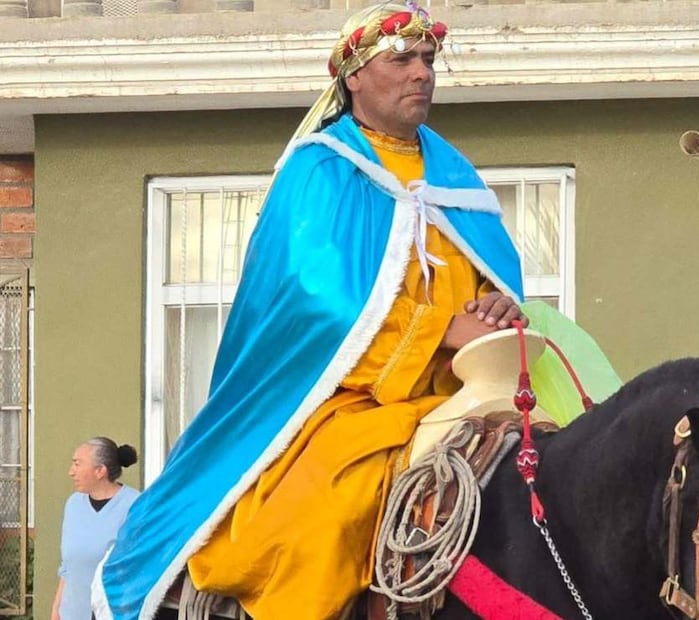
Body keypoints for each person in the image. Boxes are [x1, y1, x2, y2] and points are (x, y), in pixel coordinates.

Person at [94, 3, 529, 619]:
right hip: (347, 398)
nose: (422, 74)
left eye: (428, 60)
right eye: (401, 59)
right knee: (327, 507)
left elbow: (494, 271)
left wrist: (496, 301)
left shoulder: (455, 173)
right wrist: (438, 330)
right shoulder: (319, 168)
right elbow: (318, 301)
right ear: (354, 76)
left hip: (465, 386)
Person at [52, 438, 139, 620]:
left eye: (77, 464)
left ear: (100, 471)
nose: (71, 472)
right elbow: (68, 566)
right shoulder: (73, 504)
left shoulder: (134, 505)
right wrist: (57, 610)